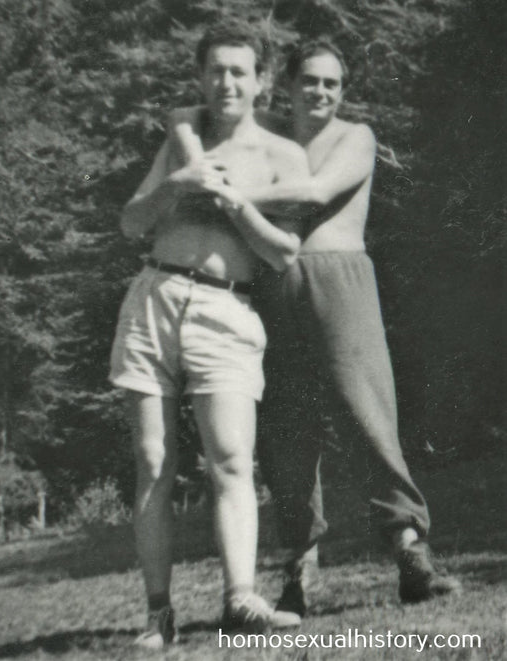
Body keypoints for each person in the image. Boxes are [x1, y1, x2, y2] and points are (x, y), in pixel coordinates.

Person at [169, 37, 461, 618]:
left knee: (366, 412)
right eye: (311, 81)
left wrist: (228, 195)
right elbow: (185, 114)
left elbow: (315, 192)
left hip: (340, 281)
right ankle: (298, 566)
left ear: (342, 92)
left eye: (332, 84)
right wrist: (185, 133)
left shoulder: (356, 137)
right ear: (288, 85)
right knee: (284, 427)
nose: (321, 92)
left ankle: (410, 551)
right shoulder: (269, 132)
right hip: (272, 285)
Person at [109, 22, 310, 649]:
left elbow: (284, 253)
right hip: (155, 299)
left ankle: (240, 602)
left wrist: (234, 202)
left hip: (227, 312)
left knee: (230, 460)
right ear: (202, 77)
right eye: (215, 70)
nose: (226, 81)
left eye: (239, 71)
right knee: (153, 462)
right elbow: (131, 223)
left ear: (262, 82)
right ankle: (158, 615)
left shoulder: (284, 156)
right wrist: (178, 184)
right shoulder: (179, 143)